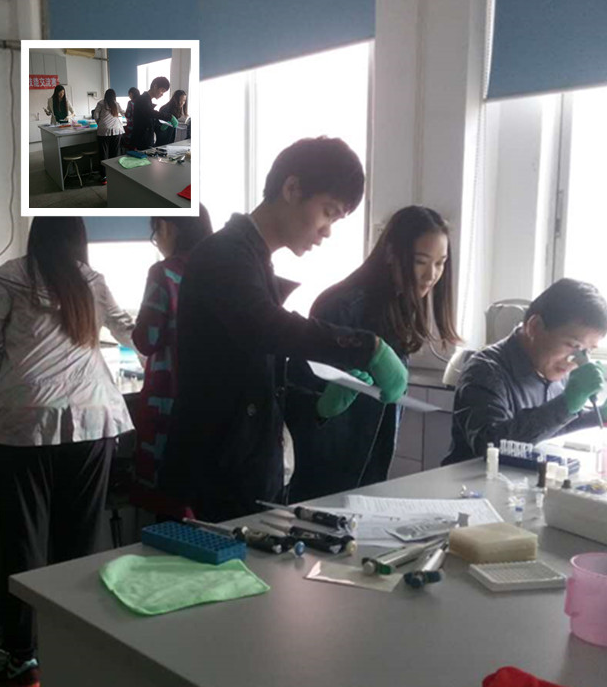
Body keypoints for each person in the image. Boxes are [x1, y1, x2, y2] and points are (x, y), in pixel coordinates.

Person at [160, 136, 409, 523]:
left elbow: (259, 378)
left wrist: (317, 407)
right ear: (292, 189)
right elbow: (265, 327)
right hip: (211, 475)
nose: (327, 231)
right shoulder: (223, 254)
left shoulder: (255, 262)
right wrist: (366, 347)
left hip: (244, 472)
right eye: (328, 212)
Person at [0, 217, 135, 687]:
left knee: (24, 540)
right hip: (92, 418)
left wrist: (14, 386)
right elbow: (129, 331)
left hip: (23, 424)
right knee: (80, 538)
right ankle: (74, 649)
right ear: (79, 241)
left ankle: (24, 662)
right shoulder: (90, 279)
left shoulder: (10, 275)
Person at [287, 206, 460, 502]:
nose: (431, 275)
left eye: (440, 263)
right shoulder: (341, 306)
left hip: (368, 469)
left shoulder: (402, 303)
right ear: (391, 253)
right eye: (420, 261)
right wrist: (323, 406)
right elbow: (298, 398)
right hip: (325, 472)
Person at [442, 278, 607, 465]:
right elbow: (490, 445)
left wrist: (597, 415)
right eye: (573, 345)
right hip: (474, 481)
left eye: (588, 351)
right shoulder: (485, 370)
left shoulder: (554, 368)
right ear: (535, 327)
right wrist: (566, 404)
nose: (577, 361)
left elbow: (550, 430)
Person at [130, 207, 213, 517]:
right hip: (214, 404)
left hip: (170, 401)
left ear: (167, 227)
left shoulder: (164, 273)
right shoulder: (225, 270)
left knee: (171, 507)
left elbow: (146, 339)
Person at [129, 76, 170, 151]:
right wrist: (169, 117)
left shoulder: (148, 100)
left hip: (146, 140)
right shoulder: (142, 99)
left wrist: (161, 126)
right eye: (162, 90)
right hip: (140, 141)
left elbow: (148, 119)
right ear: (155, 86)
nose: (162, 94)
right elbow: (150, 113)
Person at [93, 89, 124, 183]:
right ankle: (114, 175)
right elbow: (123, 112)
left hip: (104, 131)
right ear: (114, 96)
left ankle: (104, 177)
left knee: (103, 154)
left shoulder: (101, 103)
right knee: (115, 153)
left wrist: (100, 123)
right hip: (117, 130)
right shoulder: (116, 104)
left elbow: (95, 115)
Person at [122, 86, 140, 150]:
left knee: (130, 145)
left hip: (131, 126)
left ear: (131, 94)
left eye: (129, 94)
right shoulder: (141, 101)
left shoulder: (131, 102)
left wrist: (125, 113)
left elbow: (128, 115)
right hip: (140, 127)